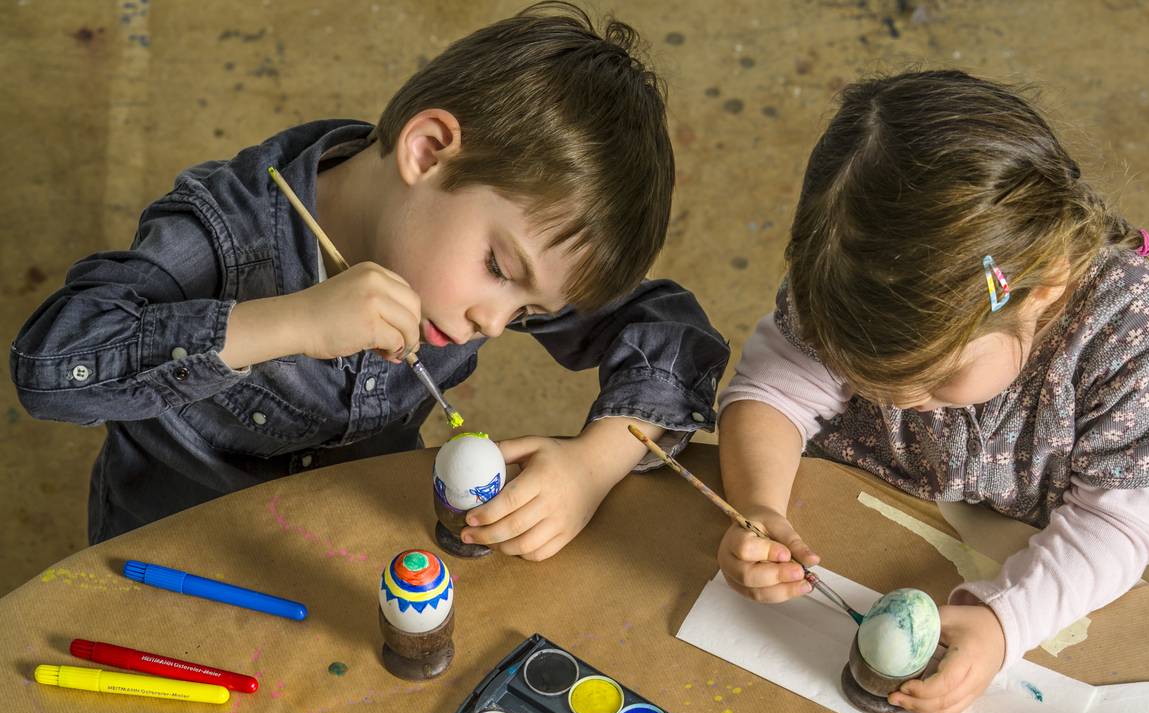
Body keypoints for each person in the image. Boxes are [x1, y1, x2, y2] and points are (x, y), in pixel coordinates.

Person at [11, 4, 727, 557]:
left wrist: (593, 466)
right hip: (168, 564)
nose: (494, 323)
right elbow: (49, 365)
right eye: (500, 272)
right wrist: (289, 324)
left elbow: (672, 335)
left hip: (349, 556)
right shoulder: (225, 231)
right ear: (427, 150)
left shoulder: (485, 272)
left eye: (529, 309)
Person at [717, 70, 1149, 713]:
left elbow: (1115, 522)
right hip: (853, 503)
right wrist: (759, 503)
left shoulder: (1138, 340)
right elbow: (776, 385)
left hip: (1024, 549)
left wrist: (1006, 625)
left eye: (938, 378)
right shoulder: (848, 272)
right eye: (868, 382)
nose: (902, 403)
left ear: (1045, 286)